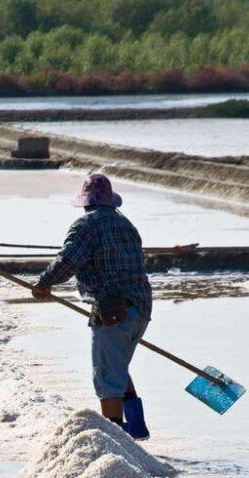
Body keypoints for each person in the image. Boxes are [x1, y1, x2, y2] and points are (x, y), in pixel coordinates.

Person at [32, 173, 152, 439]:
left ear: (85, 202)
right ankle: (138, 430)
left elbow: (67, 260)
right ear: (110, 201)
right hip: (141, 310)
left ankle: (118, 442)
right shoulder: (125, 224)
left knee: (107, 377)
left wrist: (44, 283)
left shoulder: (86, 225)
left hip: (114, 312)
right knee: (117, 367)